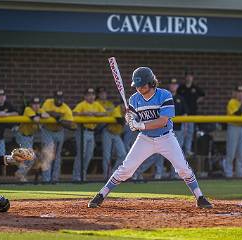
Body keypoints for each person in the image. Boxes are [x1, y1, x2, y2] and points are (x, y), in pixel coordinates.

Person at [88, 67, 212, 209]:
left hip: (166, 138)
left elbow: (163, 121)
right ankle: (101, 195)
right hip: (145, 139)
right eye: (137, 85)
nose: (139, 88)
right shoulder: (134, 99)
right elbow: (134, 119)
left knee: (183, 168)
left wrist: (140, 125)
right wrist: (129, 119)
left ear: (151, 82)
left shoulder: (164, 95)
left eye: (142, 85)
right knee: (126, 169)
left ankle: (200, 197)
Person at [134, 78, 189, 179]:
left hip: (177, 129)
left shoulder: (180, 98)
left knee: (176, 155)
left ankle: (175, 174)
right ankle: (158, 172)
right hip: (160, 129)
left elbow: (185, 115)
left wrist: (186, 129)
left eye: (175, 84)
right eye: (172, 84)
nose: (173, 86)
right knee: (157, 154)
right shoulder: (162, 96)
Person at [72, 88, 106, 181]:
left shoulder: (96, 104)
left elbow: (104, 113)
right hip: (82, 131)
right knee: (81, 154)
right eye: (89, 95)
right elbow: (74, 113)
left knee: (89, 155)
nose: (91, 96)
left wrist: (95, 113)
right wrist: (84, 113)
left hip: (92, 132)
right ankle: (76, 176)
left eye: (93, 95)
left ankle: (82, 175)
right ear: (85, 96)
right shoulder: (82, 104)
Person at [40, 90, 74, 183]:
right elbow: (43, 112)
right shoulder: (48, 102)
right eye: (57, 97)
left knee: (57, 156)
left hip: (59, 132)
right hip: (47, 131)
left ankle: (55, 179)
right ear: (54, 97)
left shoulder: (66, 108)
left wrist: (59, 120)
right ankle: (46, 180)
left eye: (61, 98)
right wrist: (57, 116)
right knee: (47, 155)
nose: (59, 99)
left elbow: (70, 124)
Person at [14, 97, 49, 182]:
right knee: (31, 157)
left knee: (29, 158)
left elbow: (47, 115)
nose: (36, 106)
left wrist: (40, 114)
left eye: (38, 104)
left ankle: (21, 174)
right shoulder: (28, 109)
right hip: (22, 136)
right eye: (34, 104)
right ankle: (20, 173)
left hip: (30, 137)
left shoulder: (39, 110)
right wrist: (40, 115)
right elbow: (36, 119)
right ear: (31, 105)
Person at [223, 85, 242, 178]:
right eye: (238, 92)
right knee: (231, 151)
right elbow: (238, 113)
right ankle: (228, 173)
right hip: (233, 127)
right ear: (235, 93)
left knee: (241, 151)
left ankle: (240, 172)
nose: (240, 94)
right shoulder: (232, 102)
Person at [177, 71, 205, 156]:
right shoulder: (181, 88)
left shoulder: (195, 88)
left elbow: (203, 95)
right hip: (182, 115)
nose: (189, 78)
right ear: (185, 77)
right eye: (187, 76)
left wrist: (196, 101)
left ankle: (187, 150)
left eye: (190, 76)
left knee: (189, 133)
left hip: (192, 114)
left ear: (192, 78)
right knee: (182, 133)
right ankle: (180, 150)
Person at [101, 99, 127, 179]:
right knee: (107, 155)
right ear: (120, 104)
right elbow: (121, 121)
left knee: (123, 154)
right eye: (123, 105)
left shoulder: (128, 111)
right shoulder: (117, 110)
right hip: (108, 132)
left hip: (116, 134)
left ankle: (113, 172)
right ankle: (106, 176)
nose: (125, 107)